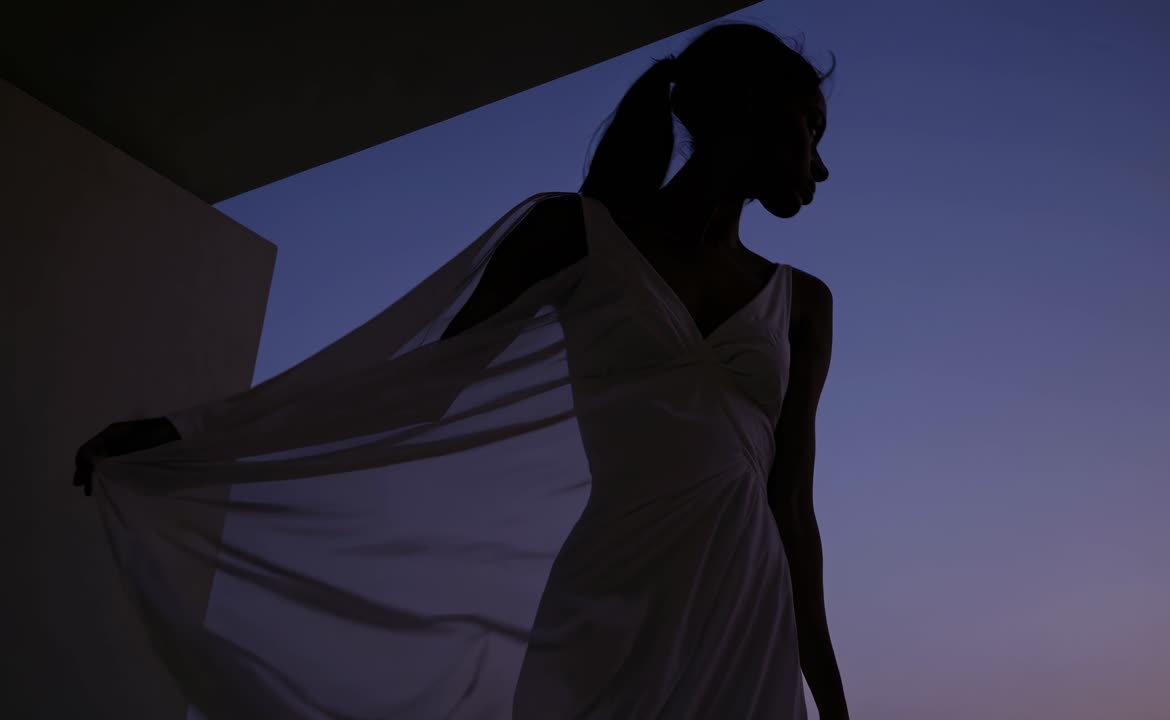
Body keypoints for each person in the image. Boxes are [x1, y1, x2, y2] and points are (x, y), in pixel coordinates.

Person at [76, 21, 846, 720]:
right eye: (810, 128)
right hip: (611, 599)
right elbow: (412, 387)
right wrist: (190, 436)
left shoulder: (803, 304)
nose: (820, 164)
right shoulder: (574, 234)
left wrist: (833, 703)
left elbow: (793, 512)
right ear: (750, 104)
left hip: (746, 614)